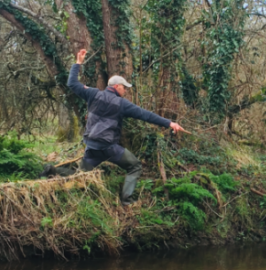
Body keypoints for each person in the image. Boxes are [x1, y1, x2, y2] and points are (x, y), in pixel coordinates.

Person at [42, 49, 185, 205]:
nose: (125, 90)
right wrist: (169, 123)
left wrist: (78, 63)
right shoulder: (121, 104)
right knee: (135, 166)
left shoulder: (93, 94)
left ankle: (52, 171)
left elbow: (72, 83)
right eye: (124, 88)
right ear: (117, 86)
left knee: (80, 173)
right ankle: (127, 200)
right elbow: (145, 115)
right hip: (109, 148)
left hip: (92, 145)